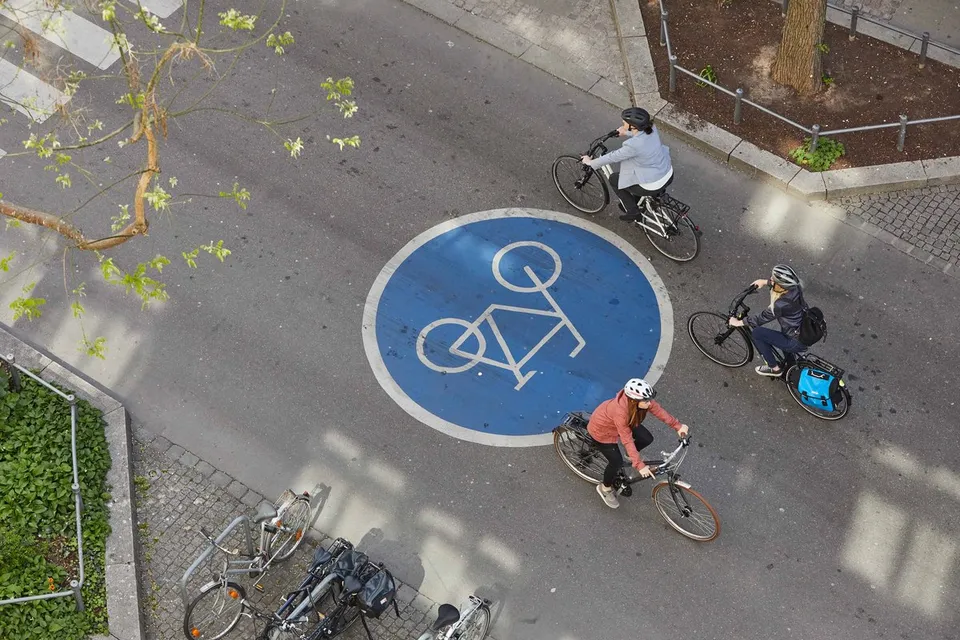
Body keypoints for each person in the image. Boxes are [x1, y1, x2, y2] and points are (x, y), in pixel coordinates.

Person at [586, 378, 689, 509]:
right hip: (603, 431)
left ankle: (631, 458)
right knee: (616, 462)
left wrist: (677, 426)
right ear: (634, 401)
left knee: (646, 438)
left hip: (628, 422)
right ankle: (604, 488)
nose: (650, 403)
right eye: (646, 401)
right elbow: (627, 439)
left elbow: (659, 411)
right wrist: (639, 465)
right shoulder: (621, 413)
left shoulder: (639, 403)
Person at [580, 107, 674, 222]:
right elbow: (642, 136)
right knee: (634, 178)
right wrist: (626, 132)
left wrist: (590, 162)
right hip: (666, 172)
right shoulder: (652, 128)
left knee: (614, 179)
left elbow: (613, 157)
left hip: (652, 183)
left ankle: (633, 212)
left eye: (624, 123)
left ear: (633, 126)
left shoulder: (633, 146)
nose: (622, 124)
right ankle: (637, 201)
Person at [727, 264, 806, 377]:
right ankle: (791, 367)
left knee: (757, 333)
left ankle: (775, 369)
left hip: (795, 340)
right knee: (783, 341)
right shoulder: (795, 287)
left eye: (773, 279)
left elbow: (760, 319)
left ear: (781, 285)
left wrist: (737, 322)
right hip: (800, 329)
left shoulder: (780, 305)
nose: (771, 279)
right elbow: (779, 286)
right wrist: (765, 282)